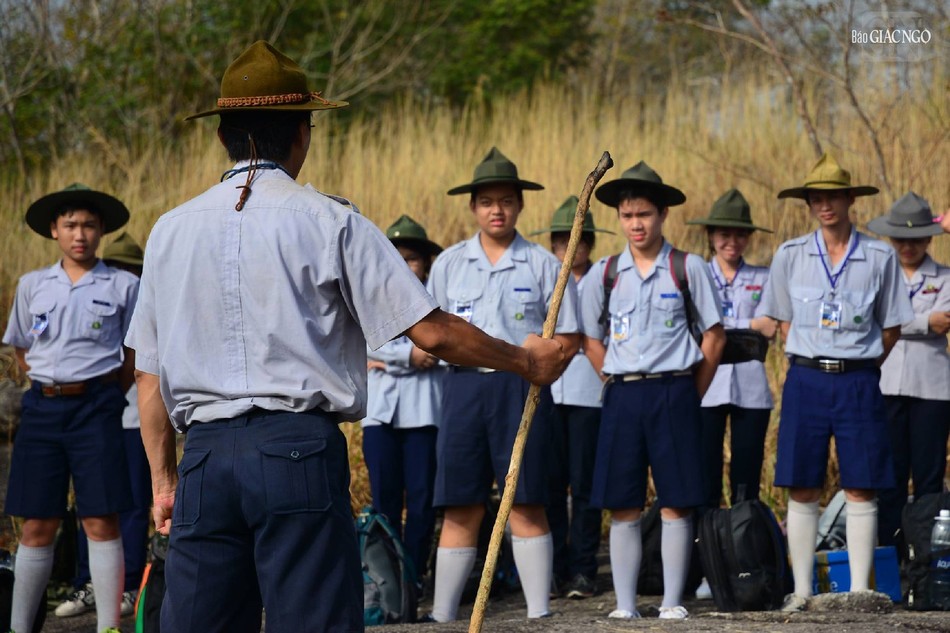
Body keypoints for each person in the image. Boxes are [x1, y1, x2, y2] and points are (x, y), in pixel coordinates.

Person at [123, 41, 569, 633]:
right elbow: (432, 332)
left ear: (224, 133)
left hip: (205, 458)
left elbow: (148, 372)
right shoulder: (331, 221)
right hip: (295, 452)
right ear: (303, 133)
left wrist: (164, 481)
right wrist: (524, 360)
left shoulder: (168, 232)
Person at [425, 148, 581, 622]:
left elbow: (570, 338)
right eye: (488, 201)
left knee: (527, 500)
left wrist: (543, 369)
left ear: (521, 205)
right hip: (462, 390)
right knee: (460, 503)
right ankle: (442, 614)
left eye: (507, 201)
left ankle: (538, 614)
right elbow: (429, 334)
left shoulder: (542, 264)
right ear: (473, 207)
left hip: (520, 391)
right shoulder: (449, 264)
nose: (498, 210)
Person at [760, 153, 914, 611]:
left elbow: (892, 325)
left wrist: (859, 363)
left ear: (851, 200)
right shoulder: (789, 255)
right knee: (801, 482)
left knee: (862, 483)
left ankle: (861, 589)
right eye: (816, 198)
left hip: (858, 380)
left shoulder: (880, 256)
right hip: (806, 379)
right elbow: (784, 321)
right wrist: (814, 356)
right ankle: (803, 591)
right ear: (808, 203)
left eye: (833, 197)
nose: (824, 205)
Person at [579, 162, 726, 620]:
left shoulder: (688, 267)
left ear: (663, 214)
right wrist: (614, 379)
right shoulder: (605, 273)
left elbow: (714, 336)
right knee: (622, 502)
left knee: (677, 500)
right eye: (627, 216)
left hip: (675, 392)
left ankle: (671, 602)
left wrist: (690, 391)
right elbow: (590, 339)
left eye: (644, 214)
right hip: (623, 395)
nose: (636, 224)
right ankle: (624, 606)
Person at [3, 184, 138, 633]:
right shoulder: (32, 285)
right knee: (37, 522)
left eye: (88, 225)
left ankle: (107, 626)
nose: (79, 234)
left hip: (97, 406)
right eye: (70, 225)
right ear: (54, 231)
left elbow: (133, 354)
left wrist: (103, 391)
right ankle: (21, 627)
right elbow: (22, 347)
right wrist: (50, 383)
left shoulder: (123, 285)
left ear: (101, 232)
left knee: (101, 516)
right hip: (42, 408)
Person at [55, 232, 151, 621]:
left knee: (131, 503)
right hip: (94, 418)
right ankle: (89, 582)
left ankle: (127, 586)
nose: (122, 274)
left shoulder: (146, 301)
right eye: (115, 266)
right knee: (91, 502)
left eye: (130, 268)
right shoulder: (91, 298)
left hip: (134, 417)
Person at [530, 195, 613, 599]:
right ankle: (554, 566)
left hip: (587, 393)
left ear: (590, 243)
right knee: (548, 483)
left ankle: (583, 568)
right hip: (545, 394)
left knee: (584, 485)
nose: (570, 248)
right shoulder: (545, 276)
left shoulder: (602, 278)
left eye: (578, 240)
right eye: (562, 241)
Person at [363, 214, 445, 580]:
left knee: (423, 499)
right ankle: (387, 580)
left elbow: (440, 349)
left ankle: (413, 577)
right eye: (396, 256)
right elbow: (362, 342)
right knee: (385, 501)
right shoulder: (370, 299)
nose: (405, 265)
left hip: (423, 414)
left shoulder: (437, 300)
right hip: (380, 415)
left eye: (411, 257)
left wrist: (381, 359)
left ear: (425, 262)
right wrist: (406, 357)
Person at [866, 192, 950, 546]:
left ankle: (927, 557)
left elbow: (943, 322)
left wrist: (898, 323)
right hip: (885, 384)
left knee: (929, 477)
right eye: (900, 238)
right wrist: (921, 322)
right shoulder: (877, 276)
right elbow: (872, 319)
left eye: (915, 239)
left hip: (932, 388)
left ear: (928, 238)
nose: (908, 245)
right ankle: (891, 552)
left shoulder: (944, 276)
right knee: (890, 475)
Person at [684, 189, 776, 509]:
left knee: (746, 477)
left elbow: (770, 329)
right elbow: (693, 329)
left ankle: (744, 542)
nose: (731, 242)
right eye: (724, 234)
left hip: (751, 388)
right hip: (706, 386)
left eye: (740, 234)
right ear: (710, 236)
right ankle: (706, 545)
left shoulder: (764, 276)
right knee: (704, 472)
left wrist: (723, 328)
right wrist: (749, 326)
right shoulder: (694, 273)